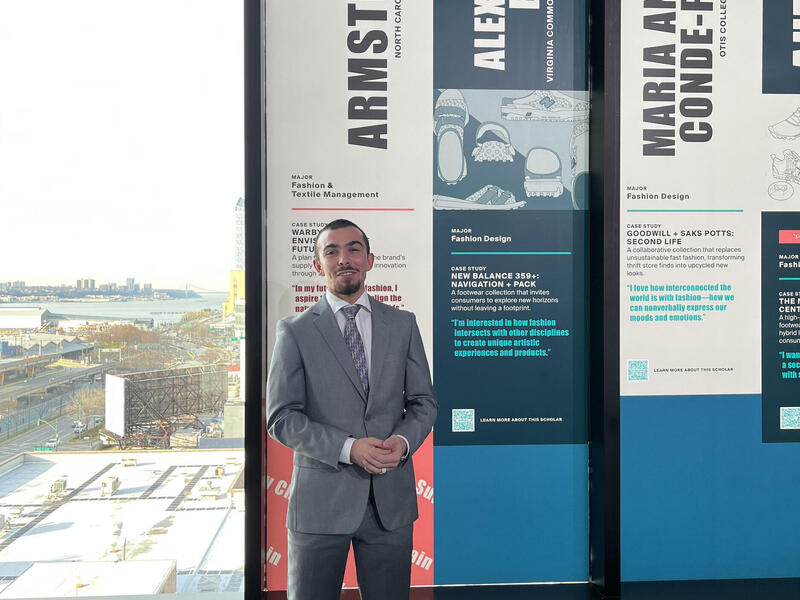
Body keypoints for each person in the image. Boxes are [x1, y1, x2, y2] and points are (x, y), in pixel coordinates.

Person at [267, 219, 438, 600]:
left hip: (389, 507)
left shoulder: (403, 324)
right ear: (318, 266)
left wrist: (402, 442)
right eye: (332, 251)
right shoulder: (294, 331)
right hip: (318, 505)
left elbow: (424, 402)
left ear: (369, 259)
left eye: (353, 249)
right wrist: (348, 448)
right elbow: (281, 418)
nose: (344, 259)